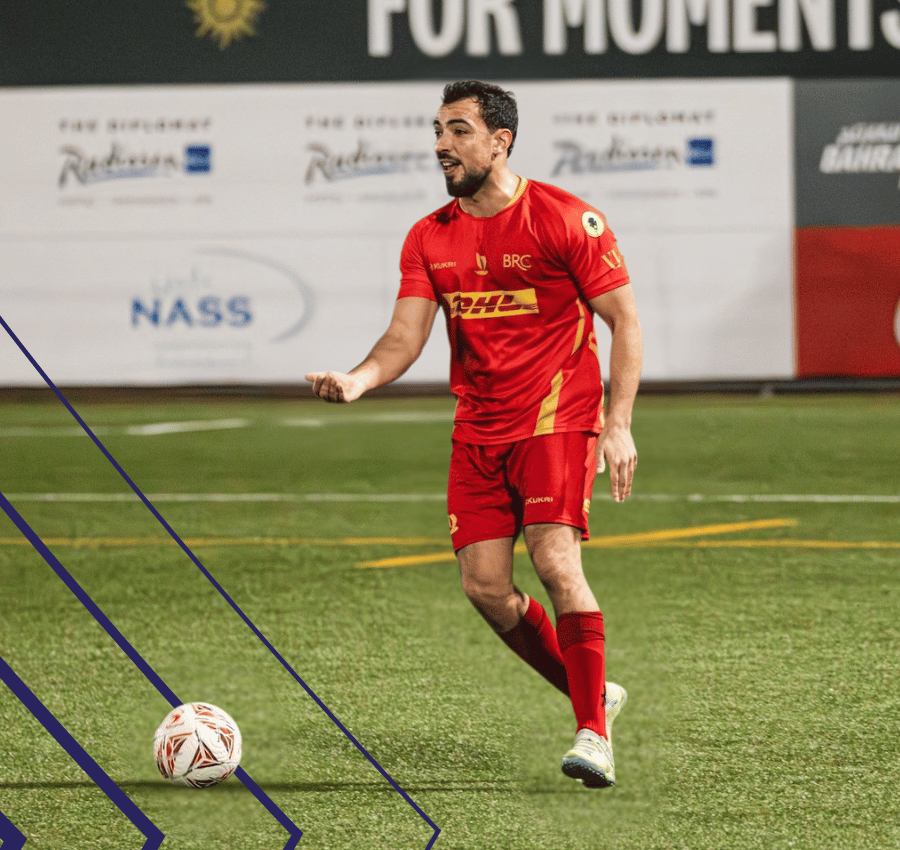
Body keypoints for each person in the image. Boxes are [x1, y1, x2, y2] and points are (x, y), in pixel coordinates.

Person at [306, 80, 642, 788]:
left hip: (556, 416)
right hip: (479, 428)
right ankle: (594, 693)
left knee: (555, 561)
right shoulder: (429, 236)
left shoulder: (565, 219)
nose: (442, 145)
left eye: (459, 130)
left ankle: (592, 733)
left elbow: (624, 320)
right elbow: (404, 337)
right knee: (485, 588)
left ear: (500, 141)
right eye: (438, 131)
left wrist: (617, 425)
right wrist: (360, 380)